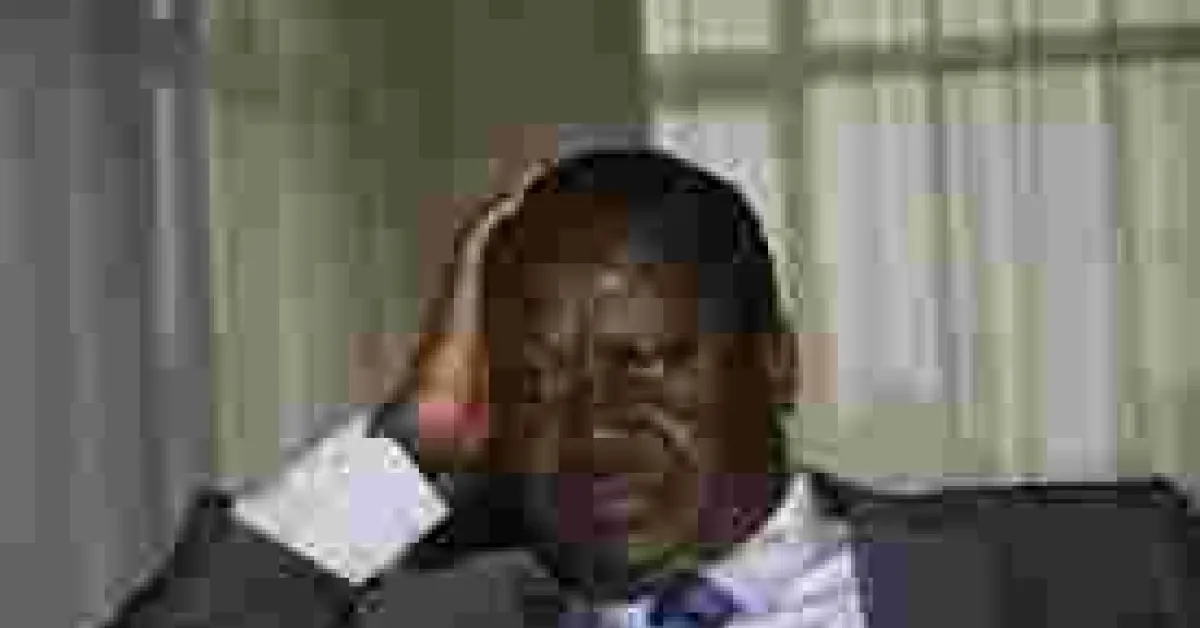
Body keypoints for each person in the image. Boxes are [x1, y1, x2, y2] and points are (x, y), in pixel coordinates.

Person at [106, 148, 1195, 628]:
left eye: (647, 360)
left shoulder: (1100, 570)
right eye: (536, 382)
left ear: (776, 362)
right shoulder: (432, 622)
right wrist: (412, 442)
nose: (592, 426)